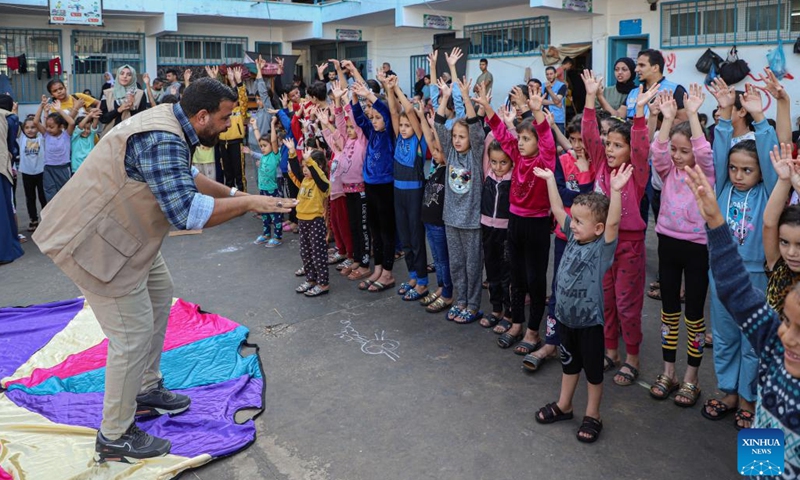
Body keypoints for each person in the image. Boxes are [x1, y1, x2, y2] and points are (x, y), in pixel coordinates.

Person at [32, 77, 295, 463]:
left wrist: (240, 195)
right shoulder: (163, 137)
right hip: (98, 244)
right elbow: (186, 212)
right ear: (202, 115)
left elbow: (186, 177)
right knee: (132, 336)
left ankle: (146, 388)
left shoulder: (174, 120)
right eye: (225, 118)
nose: (228, 125)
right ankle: (115, 434)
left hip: (127, 235)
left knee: (159, 296)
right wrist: (249, 205)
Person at [683, 163, 800, 478]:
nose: (787, 336)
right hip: (762, 455)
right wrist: (716, 221)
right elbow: (735, 290)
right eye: (787, 321)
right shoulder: (776, 346)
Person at [701, 76, 783, 430]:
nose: (737, 175)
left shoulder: (768, 192)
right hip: (722, 273)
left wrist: (761, 121)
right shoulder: (722, 187)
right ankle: (729, 391)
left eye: (747, 170)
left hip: (756, 275)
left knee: (754, 339)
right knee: (724, 334)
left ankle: (750, 397)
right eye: (734, 169)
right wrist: (722, 116)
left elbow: (771, 161)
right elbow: (720, 155)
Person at [532, 163, 632, 444]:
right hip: (565, 319)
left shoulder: (602, 248)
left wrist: (615, 191)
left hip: (589, 323)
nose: (571, 225)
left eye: (578, 222)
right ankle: (565, 405)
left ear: (598, 228)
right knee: (568, 364)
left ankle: (593, 414)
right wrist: (551, 179)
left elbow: (613, 223)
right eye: (573, 220)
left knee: (593, 373)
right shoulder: (574, 238)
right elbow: (557, 209)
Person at [582, 71, 659, 387]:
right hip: (601, 245)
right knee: (606, 301)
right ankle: (611, 352)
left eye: (618, 145)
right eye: (608, 144)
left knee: (628, 304)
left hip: (628, 246)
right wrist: (589, 96)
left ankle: (632, 358)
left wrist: (639, 112)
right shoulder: (600, 162)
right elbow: (589, 135)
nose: (610, 149)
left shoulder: (635, 172)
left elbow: (642, 146)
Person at [647, 86, 714, 407]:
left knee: (694, 315)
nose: (677, 155)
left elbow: (703, 150)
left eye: (683, 150)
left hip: (697, 249)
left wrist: (693, 117)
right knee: (669, 312)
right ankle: (669, 372)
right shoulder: (666, 170)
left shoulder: (705, 174)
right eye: (675, 149)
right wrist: (667, 118)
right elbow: (657, 151)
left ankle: (692, 378)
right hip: (668, 246)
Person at [477, 81, 555, 350]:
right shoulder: (518, 157)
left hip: (536, 224)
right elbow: (502, 132)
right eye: (520, 139)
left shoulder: (545, 160)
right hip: (515, 222)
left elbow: (546, 140)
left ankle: (533, 332)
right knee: (517, 277)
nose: (520, 144)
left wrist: (538, 114)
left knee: (535, 279)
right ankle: (517, 323)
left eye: (526, 139)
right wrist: (487, 107)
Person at [525, 117, 594, 370]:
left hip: (589, 244)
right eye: (572, 140)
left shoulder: (595, 164)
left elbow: (587, 201)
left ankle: (581, 344)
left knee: (585, 294)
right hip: (565, 237)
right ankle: (551, 342)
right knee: (557, 290)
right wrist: (574, 194)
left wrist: (584, 173)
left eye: (581, 141)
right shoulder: (562, 161)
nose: (576, 146)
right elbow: (564, 193)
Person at [434, 77, 486, 324]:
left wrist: (465, 96)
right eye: (455, 136)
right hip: (451, 219)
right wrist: (444, 96)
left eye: (461, 136)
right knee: (456, 264)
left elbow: (475, 127)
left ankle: (473, 304)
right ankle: (460, 300)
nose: (456, 140)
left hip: (472, 221)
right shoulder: (451, 150)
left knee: (473, 266)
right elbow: (438, 123)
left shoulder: (476, 153)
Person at [386, 75, 429, 301]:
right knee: (404, 236)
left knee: (415, 236)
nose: (403, 128)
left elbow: (409, 112)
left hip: (414, 192)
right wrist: (389, 89)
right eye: (401, 126)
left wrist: (397, 90)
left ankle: (422, 281)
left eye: (406, 126)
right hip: (397, 191)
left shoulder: (419, 140)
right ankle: (412, 275)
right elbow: (395, 112)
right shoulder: (399, 139)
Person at [351, 75, 396, 293]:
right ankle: (377, 268)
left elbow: (386, 112)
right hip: (370, 185)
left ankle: (388, 272)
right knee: (374, 229)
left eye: (378, 118)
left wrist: (369, 95)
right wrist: (353, 98)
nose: (375, 121)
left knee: (387, 231)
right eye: (374, 118)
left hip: (385, 186)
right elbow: (359, 118)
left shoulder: (388, 134)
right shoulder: (371, 133)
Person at [322, 84, 369, 281]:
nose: (349, 130)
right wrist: (337, 106)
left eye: (352, 127)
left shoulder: (361, 140)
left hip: (360, 191)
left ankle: (365, 262)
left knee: (363, 227)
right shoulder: (346, 141)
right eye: (347, 128)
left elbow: (355, 124)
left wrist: (347, 101)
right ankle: (356, 258)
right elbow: (339, 126)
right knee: (353, 226)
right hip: (347, 191)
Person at [288, 139, 331, 297]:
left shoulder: (322, 183)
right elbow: (294, 169)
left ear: (317, 166)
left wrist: (310, 162)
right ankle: (311, 279)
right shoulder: (305, 181)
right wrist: (292, 153)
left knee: (318, 253)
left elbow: (323, 183)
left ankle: (323, 283)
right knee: (305, 252)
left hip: (315, 222)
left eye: (308, 167)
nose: (304, 170)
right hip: (303, 221)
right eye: (304, 166)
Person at [479, 141, 512, 330]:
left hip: (506, 231)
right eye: (494, 162)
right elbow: (488, 139)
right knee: (491, 271)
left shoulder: (514, 178)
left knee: (507, 273)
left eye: (503, 163)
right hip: (487, 228)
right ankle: (496, 309)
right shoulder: (488, 174)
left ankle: (509, 313)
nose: (498, 167)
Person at [764, 143, 800, 313]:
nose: (791, 252)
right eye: (784, 242)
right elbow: (770, 223)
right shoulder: (779, 267)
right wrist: (784, 180)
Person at [249, 116, 283, 248]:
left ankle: (278, 236)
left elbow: (273, 140)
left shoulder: (275, 155)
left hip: (272, 189)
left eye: (265, 145)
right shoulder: (263, 156)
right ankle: (266, 233)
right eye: (261, 146)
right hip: (263, 188)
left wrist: (273, 124)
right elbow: (259, 139)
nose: (262, 148)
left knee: (275, 213)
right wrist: (255, 126)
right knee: (264, 212)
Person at [625, 49, 687, 120]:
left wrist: (652, 121)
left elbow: (683, 122)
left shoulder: (674, 90)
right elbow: (620, 116)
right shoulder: (633, 92)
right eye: (637, 65)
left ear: (655, 68)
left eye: (641, 65)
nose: (636, 69)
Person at [33, 96, 75, 201]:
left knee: (64, 193)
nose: (48, 129)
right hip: (49, 168)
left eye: (52, 127)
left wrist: (59, 110)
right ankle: (53, 215)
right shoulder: (46, 135)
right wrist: (41, 106)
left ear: (60, 126)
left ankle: (64, 214)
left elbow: (72, 123)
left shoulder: (66, 135)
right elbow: (35, 122)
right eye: (47, 126)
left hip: (63, 168)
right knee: (50, 193)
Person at [0, 94, 23, 265]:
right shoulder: (9, 118)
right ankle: (5, 251)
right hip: (1, 167)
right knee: (3, 210)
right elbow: (12, 146)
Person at [100, 64, 150, 136]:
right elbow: (103, 119)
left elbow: (142, 120)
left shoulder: (140, 94)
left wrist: (132, 108)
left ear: (133, 77)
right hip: (110, 137)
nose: (125, 76)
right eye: (122, 73)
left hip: (131, 137)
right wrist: (119, 110)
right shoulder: (108, 93)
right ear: (118, 76)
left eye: (129, 74)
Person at [17, 115, 47, 232]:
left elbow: (44, 123)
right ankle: (33, 220)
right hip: (27, 173)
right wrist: (15, 110)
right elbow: (15, 125)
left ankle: (46, 219)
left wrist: (45, 109)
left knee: (43, 197)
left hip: (41, 172)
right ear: (23, 129)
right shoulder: (21, 138)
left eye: (33, 127)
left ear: (38, 128)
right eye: (27, 127)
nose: (30, 130)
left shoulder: (42, 137)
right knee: (30, 198)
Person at [71, 107, 101, 173]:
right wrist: (89, 116)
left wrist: (96, 116)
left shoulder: (90, 137)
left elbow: (94, 126)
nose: (86, 131)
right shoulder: (75, 138)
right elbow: (80, 127)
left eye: (88, 128)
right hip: (77, 169)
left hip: (90, 168)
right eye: (84, 128)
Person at [543, 66, 567, 133]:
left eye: (551, 74)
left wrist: (549, 89)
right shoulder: (543, 85)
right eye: (547, 74)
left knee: (559, 141)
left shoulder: (562, 86)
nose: (549, 76)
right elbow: (541, 101)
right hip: (545, 117)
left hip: (557, 119)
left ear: (555, 74)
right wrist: (556, 103)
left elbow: (557, 100)